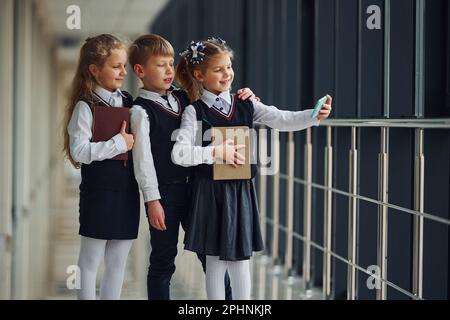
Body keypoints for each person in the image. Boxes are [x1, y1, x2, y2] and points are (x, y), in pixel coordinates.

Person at [172, 37, 332, 299]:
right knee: (215, 262)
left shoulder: (246, 103)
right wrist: (215, 152)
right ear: (199, 75)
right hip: (210, 192)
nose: (227, 74)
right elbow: (179, 154)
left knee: (241, 260)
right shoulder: (194, 112)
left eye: (228, 67)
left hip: (240, 191)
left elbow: (282, 118)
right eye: (218, 69)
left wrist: (313, 116)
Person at [128, 34, 257, 300]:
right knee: (164, 259)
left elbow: (216, 97)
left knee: (210, 254)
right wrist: (152, 200)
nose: (168, 70)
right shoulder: (140, 111)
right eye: (159, 64)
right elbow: (143, 162)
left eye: (170, 63)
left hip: (198, 190)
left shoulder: (184, 98)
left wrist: (246, 95)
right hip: (166, 195)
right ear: (140, 71)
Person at [63, 34, 139, 300]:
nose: (122, 71)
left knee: (118, 262)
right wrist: (119, 143)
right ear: (94, 70)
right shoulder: (86, 106)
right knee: (90, 261)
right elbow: (80, 152)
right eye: (116, 66)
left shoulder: (130, 102)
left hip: (127, 192)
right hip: (98, 193)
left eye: (124, 66)